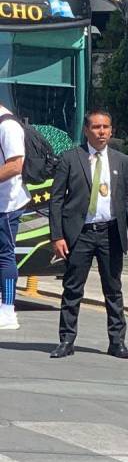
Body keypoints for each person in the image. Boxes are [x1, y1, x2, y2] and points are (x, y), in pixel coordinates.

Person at [48, 110, 128, 358]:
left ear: (112, 130)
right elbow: (56, 200)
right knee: (72, 289)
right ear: (86, 130)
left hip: (110, 233)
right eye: (97, 127)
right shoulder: (70, 158)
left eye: (106, 127)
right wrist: (57, 236)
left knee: (113, 289)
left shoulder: (122, 161)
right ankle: (67, 340)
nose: (102, 132)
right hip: (80, 234)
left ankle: (117, 342)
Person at [0, 104, 31, 331]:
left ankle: (9, 310)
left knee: (5, 255)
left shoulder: (8, 125)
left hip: (7, 204)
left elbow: (15, 165)